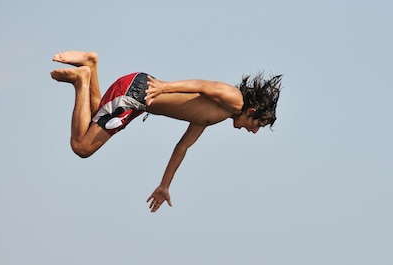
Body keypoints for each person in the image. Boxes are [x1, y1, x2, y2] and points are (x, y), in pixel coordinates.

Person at [50, 51, 282, 213]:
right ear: (252, 112)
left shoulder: (215, 115)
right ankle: (81, 79)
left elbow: (182, 148)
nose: (253, 132)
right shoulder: (234, 99)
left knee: (91, 122)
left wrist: (165, 185)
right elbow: (203, 85)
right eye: (257, 125)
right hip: (139, 93)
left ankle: (90, 65)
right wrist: (164, 87)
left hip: (137, 98)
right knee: (82, 147)